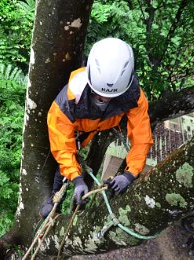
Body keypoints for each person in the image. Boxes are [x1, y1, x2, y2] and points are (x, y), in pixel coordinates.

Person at [39, 37, 153, 219]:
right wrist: (77, 179)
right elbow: (62, 145)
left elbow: (142, 137)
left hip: (103, 125)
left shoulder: (133, 97)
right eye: (99, 96)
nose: (104, 100)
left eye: (110, 97)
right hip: (78, 129)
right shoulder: (69, 99)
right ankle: (54, 199)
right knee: (64, 164)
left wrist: (131, 174)